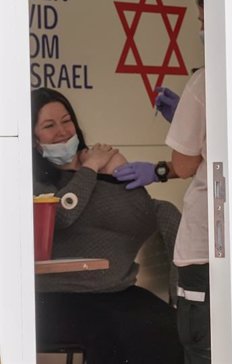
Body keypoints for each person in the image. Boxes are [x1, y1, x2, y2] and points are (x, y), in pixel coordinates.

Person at [31, 87, 184, 363]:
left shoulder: (100, 165)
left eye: (67, 121)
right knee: (117, 336)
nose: (63, 132)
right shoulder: (36, 181)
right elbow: (64, 215)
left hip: (117, 291)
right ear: (34, 140)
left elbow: (144, 214)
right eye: (49, 126)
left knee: (171, 329)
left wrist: (115, 170)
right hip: (60, 296)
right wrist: (91, 169)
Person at [115, 0, 211, 363]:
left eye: (203, 24)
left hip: (206, 252)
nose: (201, 32)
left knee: (203, 349)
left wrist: (181, 137)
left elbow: (186, 164)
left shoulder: (204, 83)